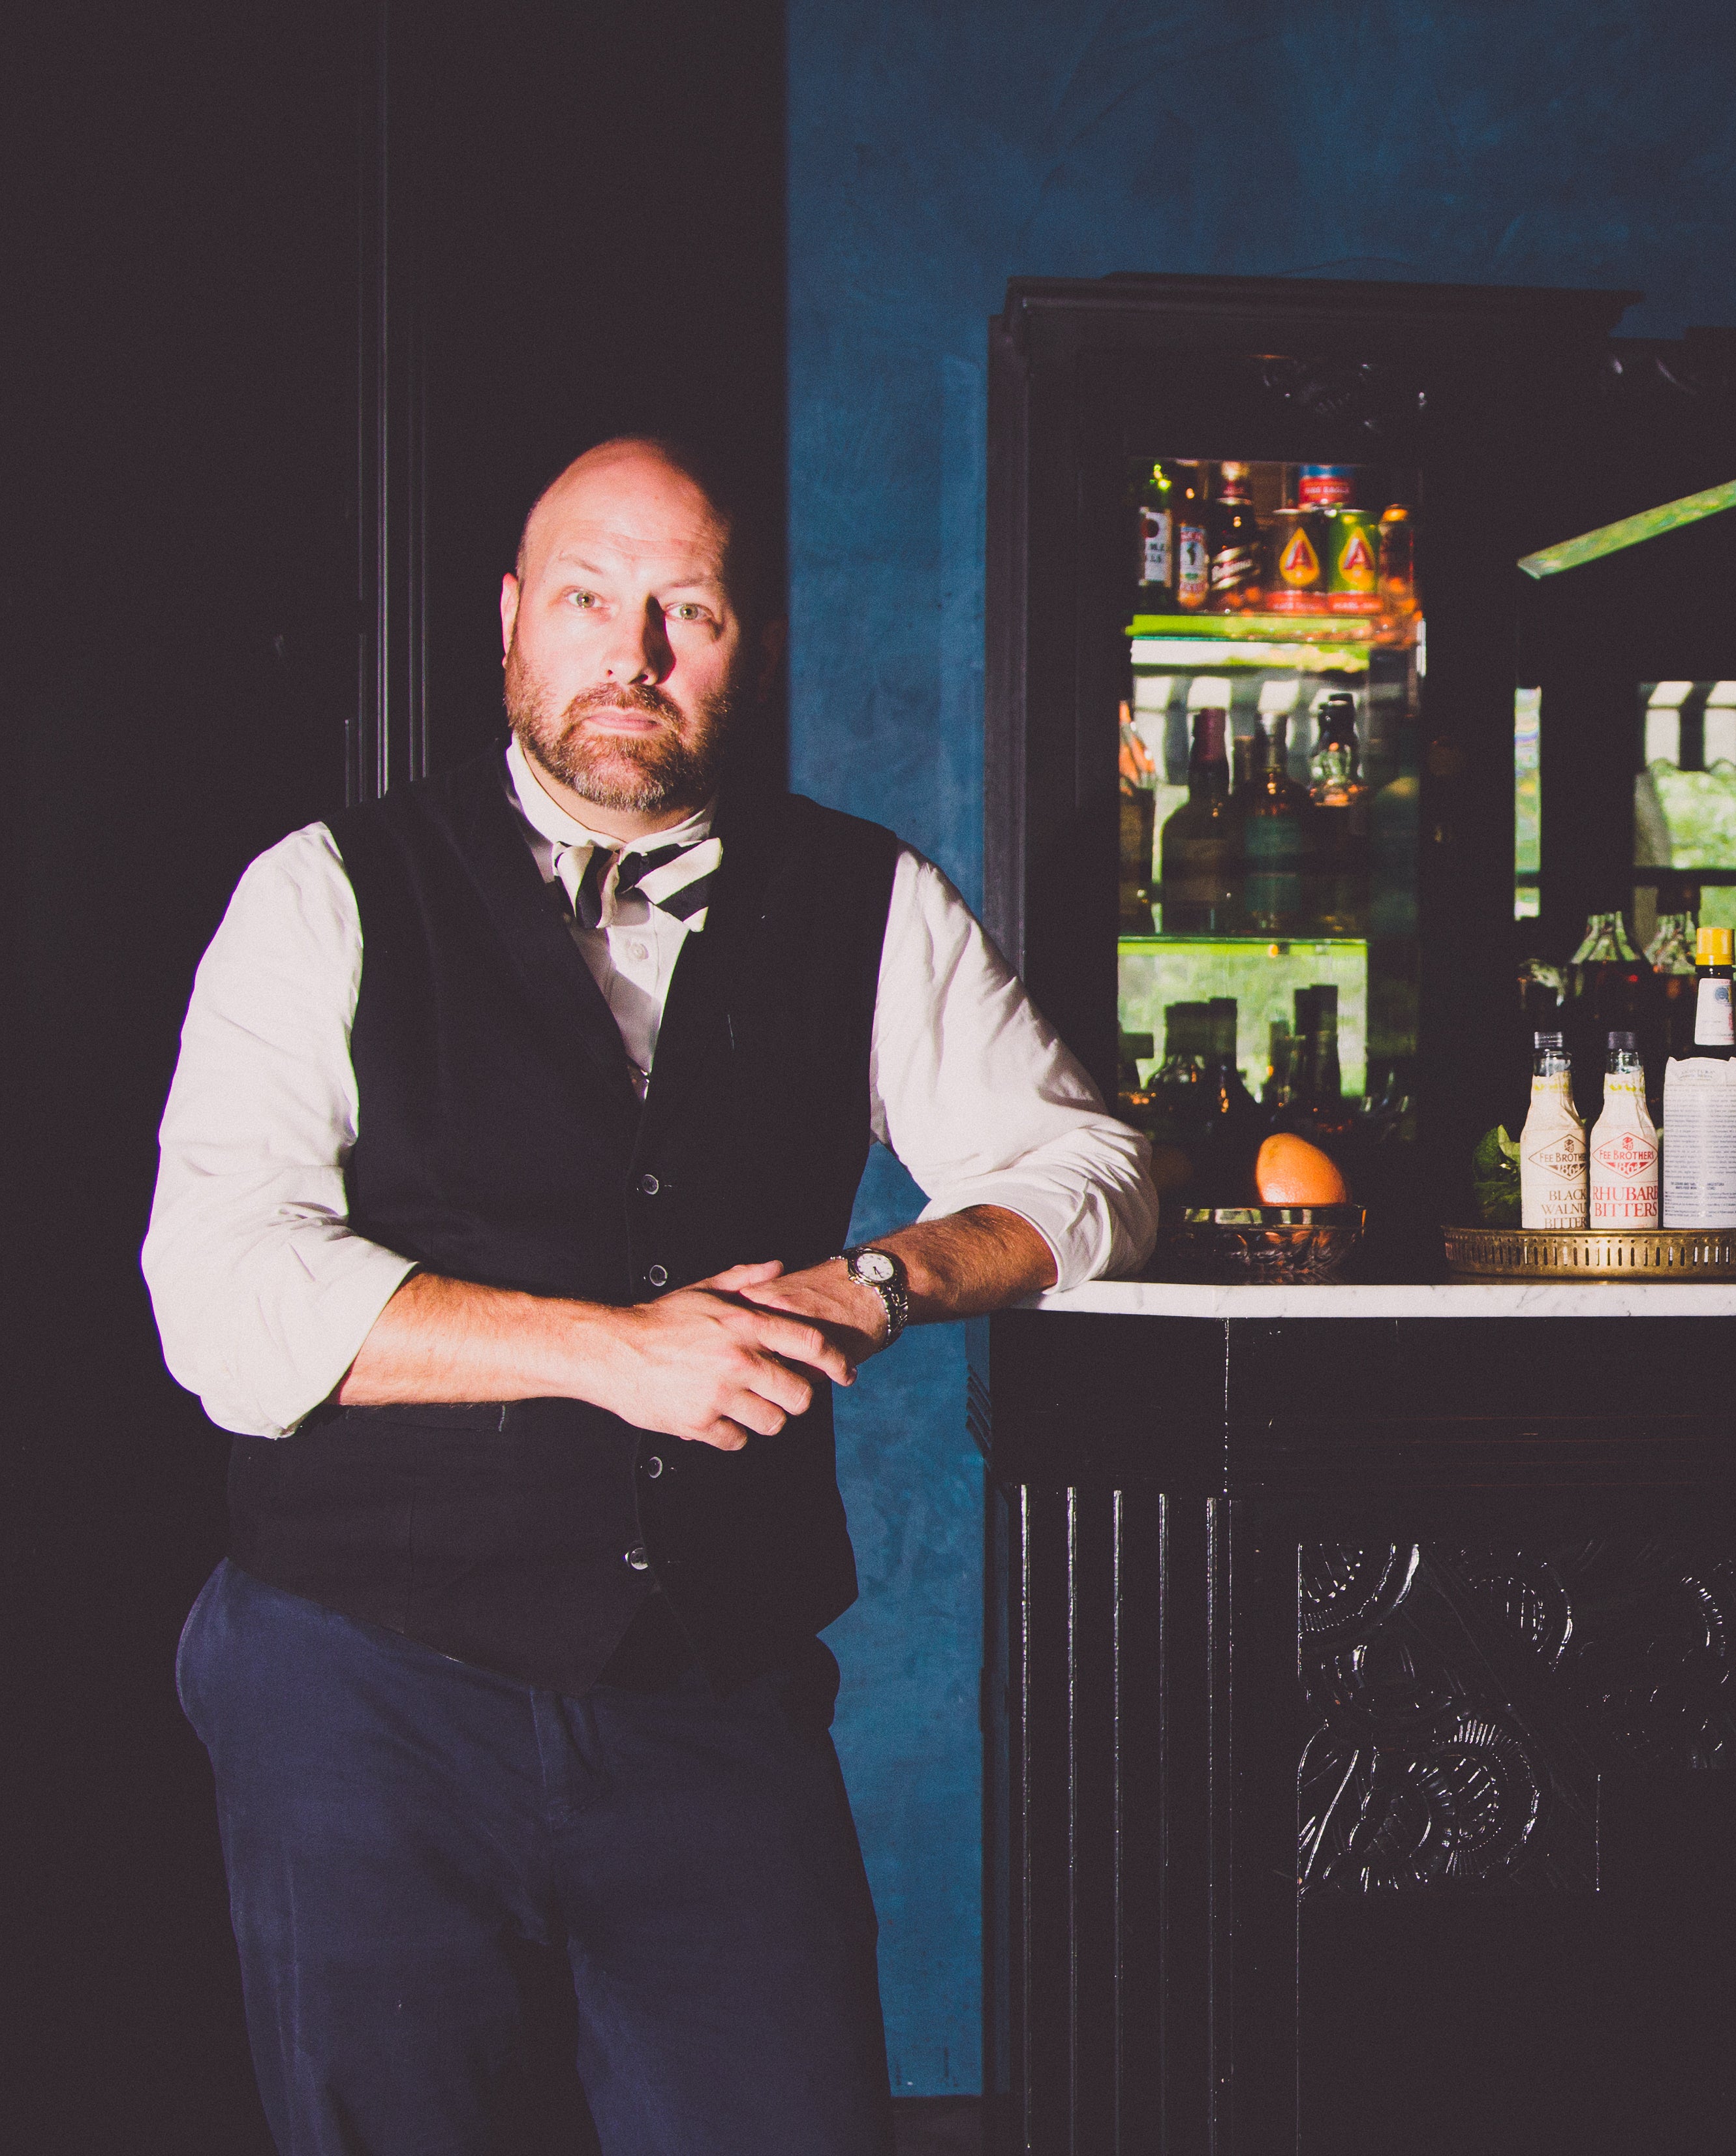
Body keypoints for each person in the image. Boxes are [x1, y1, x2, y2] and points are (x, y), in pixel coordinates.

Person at [142, 435, 1154, 2154]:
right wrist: (616, 1357)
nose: (633, 655)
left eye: (683, 607)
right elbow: (224, 1304)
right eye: (590, 601)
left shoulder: (868, 899)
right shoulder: (324, 895)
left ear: (744, 639)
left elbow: (1090, 1176)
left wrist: (875, 1286)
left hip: (713, 1686)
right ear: (512, 621)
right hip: (365, 1687)